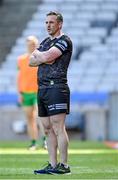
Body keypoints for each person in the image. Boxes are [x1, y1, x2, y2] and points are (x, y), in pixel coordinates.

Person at [29, 11, 73, 174]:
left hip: (57, 87)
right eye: (46, 22)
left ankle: (64, 165)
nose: (48, 25)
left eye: (51, 22)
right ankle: (53, 165)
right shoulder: (46, 41)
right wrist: (43, 57)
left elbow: (47, 56)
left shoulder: (64, 41)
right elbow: (31, 61)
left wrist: (42, 56)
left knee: (58, 127)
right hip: (42, 88)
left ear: (59, 24)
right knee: (46, 129)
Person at [17, 35, 47, 150]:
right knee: (30, 118)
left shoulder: (40, 57)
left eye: (33, 44)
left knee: (41, 116)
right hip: (25, 92)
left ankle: (44, 141)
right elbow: (19, 77)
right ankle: (33, 142)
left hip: (38, 91)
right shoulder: (21, 59)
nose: (31, 46)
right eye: (29, 44)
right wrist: (19, 92)